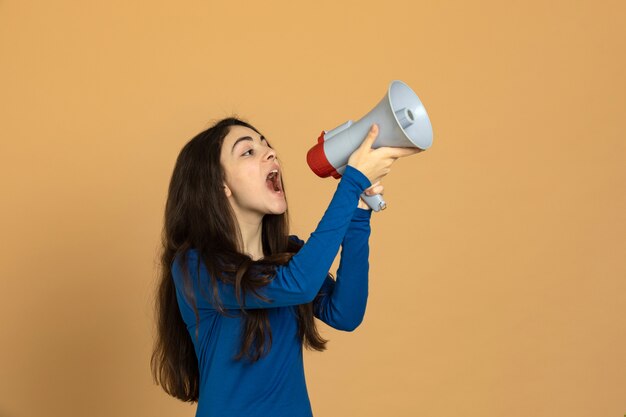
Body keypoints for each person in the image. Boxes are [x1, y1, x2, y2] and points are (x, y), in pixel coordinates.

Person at [151, 117, 418, 417]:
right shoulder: (195, 267)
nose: (269, 152)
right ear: (219, 184)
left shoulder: (288, 256)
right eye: (247, 151)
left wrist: (358, 212)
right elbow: (299, 284)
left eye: (266, 144)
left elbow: (346, 313)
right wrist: (352, 180)